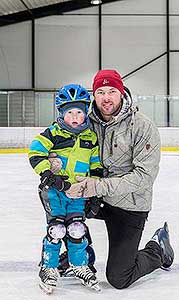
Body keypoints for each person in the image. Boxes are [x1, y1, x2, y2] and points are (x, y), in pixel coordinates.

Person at [59, 69, 174, 289]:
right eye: (100, 92)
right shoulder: (83, 121)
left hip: (129, 204)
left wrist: (97, 186)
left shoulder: (142, 126)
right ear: (94, 95)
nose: (106, 98)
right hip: (96, 199)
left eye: (112, 91)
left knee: (119, 278)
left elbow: (144, 177)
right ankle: (79, 254)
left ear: (121, 92)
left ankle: (157, 248)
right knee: (55, 200)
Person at [28, 84, 102, 293]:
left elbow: (95, 165)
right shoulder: (52, 133)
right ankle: (48, 267)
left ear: (85, 112)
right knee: (57, 229)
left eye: (79, 111)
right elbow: (35, 153)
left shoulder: (90, 137)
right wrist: (48, 175)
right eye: (70, 112)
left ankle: (79, 264)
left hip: (78, 192)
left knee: (77, 229)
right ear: (61, 113)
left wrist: (94, 193)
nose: (75, 116)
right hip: (55, 191)